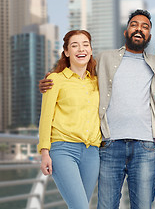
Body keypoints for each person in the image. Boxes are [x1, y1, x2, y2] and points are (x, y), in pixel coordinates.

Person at [39, 9, 155, 209]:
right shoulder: (104, 59)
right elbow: (48, 113)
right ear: (125, 31)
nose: (139, 29)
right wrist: (49, 79)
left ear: (149, 34)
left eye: (145, 27)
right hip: (104, 145)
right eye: (134, 25)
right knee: (96, 205)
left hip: (128, 147)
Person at [38, 30, 101, 209]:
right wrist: (44, 153)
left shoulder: (97, 82)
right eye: (75, 45)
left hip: (92, 153)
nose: (81, 49)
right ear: (66, 52)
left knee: (79, 205)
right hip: (63, 150)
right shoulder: (55, 80)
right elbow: (45, 117)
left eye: (85, 44)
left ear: (90, 49)